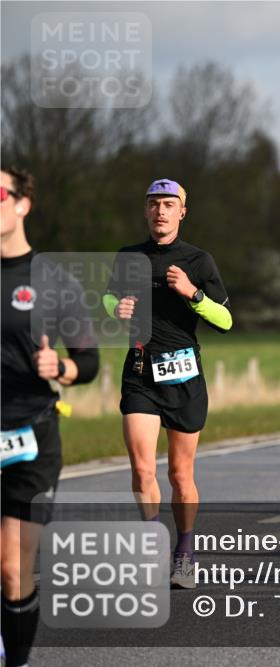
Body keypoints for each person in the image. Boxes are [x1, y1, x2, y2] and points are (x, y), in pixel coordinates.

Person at [106, 179, 233, 589]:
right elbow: (108, 300)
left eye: (169, 204)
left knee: (180, 475)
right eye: (154, 204)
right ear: (145, 211)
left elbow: (226, 321)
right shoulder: (128, 257)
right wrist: (116, 307)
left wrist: (192, 293)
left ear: (182, 211)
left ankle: (185, 551)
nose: (161, 211)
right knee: (143, 468)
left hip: (183, 375)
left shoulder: (198, 260)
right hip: (140, 372)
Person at [1, 167, 99, 667]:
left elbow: (90, 361)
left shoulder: (52, 279)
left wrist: (59, 365)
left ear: (22, 204)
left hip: (30, 437)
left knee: (14, 568)